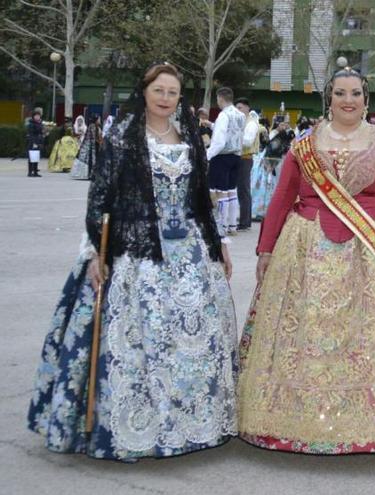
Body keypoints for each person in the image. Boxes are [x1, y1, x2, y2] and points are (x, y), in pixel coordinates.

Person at [26, 63, 237, 461]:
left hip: (188, 249)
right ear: (144, 92)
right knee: (141, 337)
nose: (164, 98)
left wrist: (218, 242)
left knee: (194, 336)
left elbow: (199, 198)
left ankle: (192, 423)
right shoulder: (124, 137)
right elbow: (101, 199)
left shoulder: (189, 136)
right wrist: (95, 252)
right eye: (158, 90)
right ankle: (135, 425)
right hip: (136, 250)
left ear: (180, 98)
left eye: (172, 92)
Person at [237, 67, 375, 455]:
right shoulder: (304, 145)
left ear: (367, 100)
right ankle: (292, 420)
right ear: (328, 98)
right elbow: (282, 198)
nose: (349, 100)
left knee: (370, 334)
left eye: (356, 94)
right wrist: (266, 248)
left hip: (374, 249)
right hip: (307, 250)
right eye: (341, 93)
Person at [207, 87, 245, 236]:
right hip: (236, 155)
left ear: (220, 98)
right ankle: (232, 225)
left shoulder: (223, 115)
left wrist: (207, 155)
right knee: (231, 191)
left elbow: (219, 141)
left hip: (222, 156)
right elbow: (237, 134)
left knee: (220, 192)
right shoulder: (240, 115)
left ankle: (221, 225)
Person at [235, 98, 259, 231]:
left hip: (245, 158)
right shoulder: (243, 122)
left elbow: (248, 141)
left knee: (243, 189)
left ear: (246, 108)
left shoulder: (251, 123)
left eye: (240, 108)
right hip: (240, 157)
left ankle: (245, 221)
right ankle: (244, 220)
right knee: (241, 190)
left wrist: (234, 136)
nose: (238, 110)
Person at [71, 115, 102, 181]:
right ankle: (90, 174)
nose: (99, 121)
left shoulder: (95, 127)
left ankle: (91, 174)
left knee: (92, 161)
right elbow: (93, 138)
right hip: (90, 148)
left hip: (92, 147)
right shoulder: (93, 126)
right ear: (96, 120)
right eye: (99, 119)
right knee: (90, 161)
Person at [26, 109, 45, 177]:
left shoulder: (40, 123)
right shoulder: (31, 124)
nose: (37, 117)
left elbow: (40, 132)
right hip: (33, 142)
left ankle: (35, 172)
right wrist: (33, 142)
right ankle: (30, 172)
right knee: (31, 157)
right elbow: (30, 134)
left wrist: (44, 134)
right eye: (36, 116)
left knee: (36, 157)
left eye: (38, 116)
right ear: (33, 116)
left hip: (38, 142)